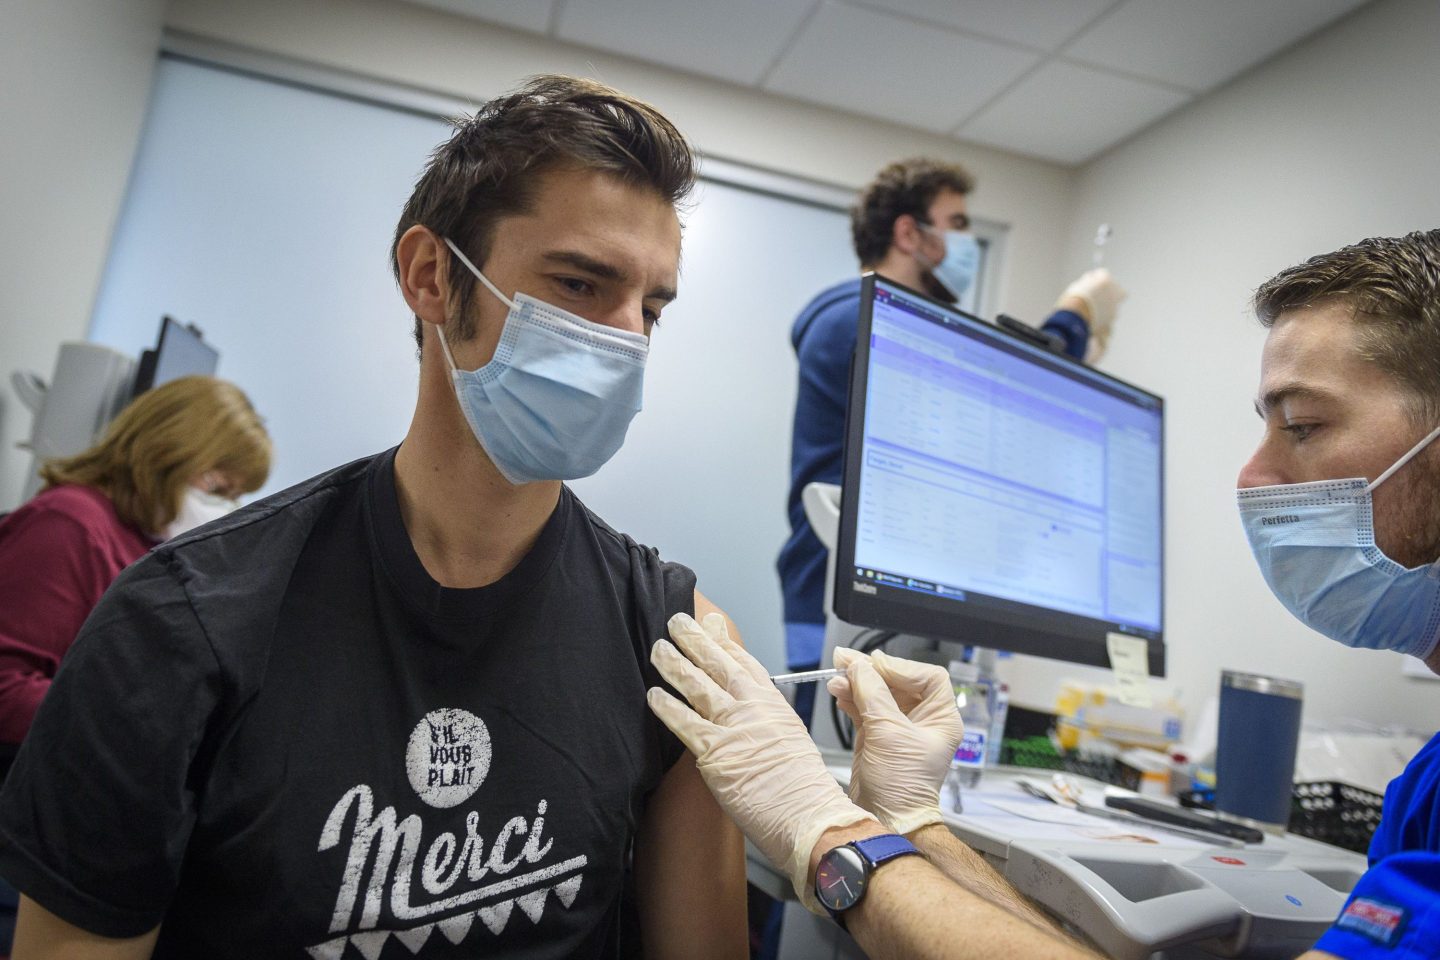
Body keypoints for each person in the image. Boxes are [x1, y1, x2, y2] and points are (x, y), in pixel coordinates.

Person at [0, 76, 746, 959]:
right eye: (582, 283)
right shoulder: (179, 625)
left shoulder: (678, 645)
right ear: (432, 277)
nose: (626, 339)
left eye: (651, 310)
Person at [657, 231, 1440, 960]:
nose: (1250, 477)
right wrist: (915, 824)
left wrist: (831, 840)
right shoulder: (1424, 789)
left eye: (1302, 424)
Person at [777, 157, 1127, 724]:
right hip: (849, 609)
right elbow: (995, 399)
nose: (967, 240)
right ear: (909, 233)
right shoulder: (855, 317)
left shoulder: (892, 327)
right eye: (957, 223)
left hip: (907, 610)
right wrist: (1072, 322)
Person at [0, 374, 271, 749]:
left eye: (234, 497)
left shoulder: (148, 542)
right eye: (217, 489)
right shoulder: (71, 524)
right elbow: (7, 685)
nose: (223, 509)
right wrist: (138, 727)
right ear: (167, 451)